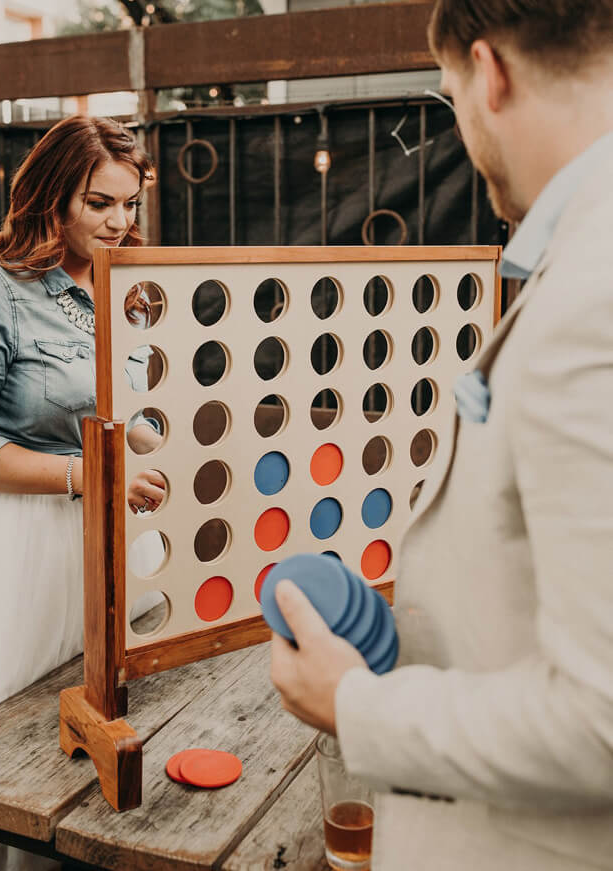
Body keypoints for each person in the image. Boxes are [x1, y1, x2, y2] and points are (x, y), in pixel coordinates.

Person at [270, 2, 613, 869]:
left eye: (448, 92)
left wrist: (354, 705)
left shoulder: (591, 302)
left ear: (488, 72)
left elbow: (602, 724)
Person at [0, 115, 166, 871]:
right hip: (5, 543)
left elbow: (117, 403)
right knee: (0, 740)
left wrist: (145, 441)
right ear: (51, 200)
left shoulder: (132, 290)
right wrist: (83, 473)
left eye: (130, 203)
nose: (120, 222)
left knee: (97, 722)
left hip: (103, 533)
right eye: (100, 203)